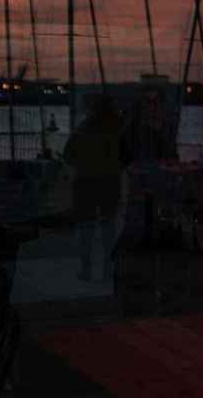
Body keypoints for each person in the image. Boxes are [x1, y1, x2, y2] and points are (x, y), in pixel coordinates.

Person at [64, 96, 126, 282]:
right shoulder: (118, 129)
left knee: (86, 230)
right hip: (109, 182)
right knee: (109, 229)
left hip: (85, 183)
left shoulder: (83, 128)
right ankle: (108, 269)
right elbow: (127, 156)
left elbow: (68, 154)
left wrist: (84, 165)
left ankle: (86, 269)